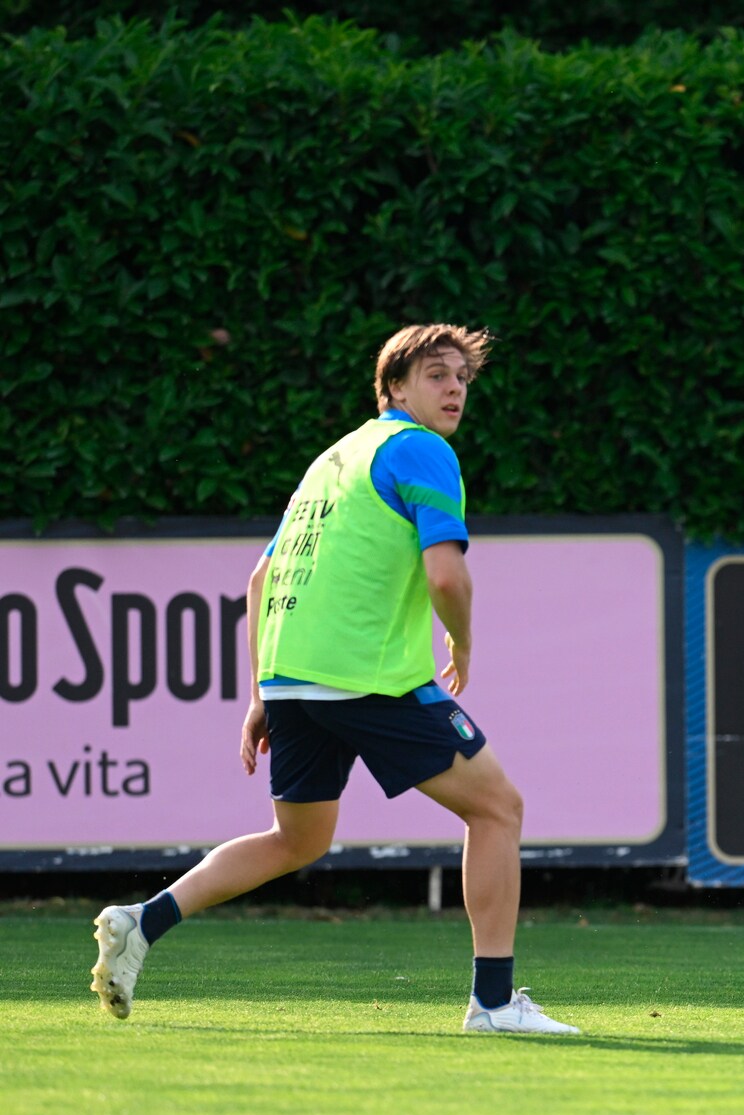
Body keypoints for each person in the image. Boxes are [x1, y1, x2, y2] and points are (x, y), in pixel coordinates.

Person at [89, 324, 579, 1035]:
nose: (454, 389)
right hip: (366, 677)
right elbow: (447, 576)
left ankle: (143, 921)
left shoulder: (333, 459)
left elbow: (260, 579)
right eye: (436, 375)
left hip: (294, 679)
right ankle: (496, 1004)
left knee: (297, 840)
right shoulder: (422, 450)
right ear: (393, 388)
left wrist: (262, 692)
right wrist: (463, 641)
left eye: (462, 379)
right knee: (498, 808)